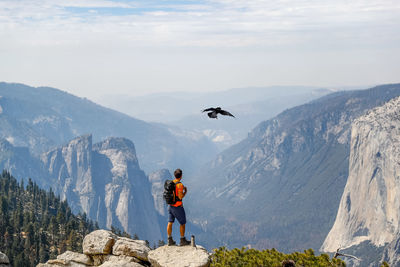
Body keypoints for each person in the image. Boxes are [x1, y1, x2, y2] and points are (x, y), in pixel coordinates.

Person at [167, 168, 190, 246]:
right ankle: (182, 240)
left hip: (170, 206)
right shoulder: (180, 185)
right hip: (177, 207)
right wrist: (185, 192)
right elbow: (180, 197)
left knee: (170, 222)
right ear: (181, 176)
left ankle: (169, 239)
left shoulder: (171, 182)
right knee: (182, 223)